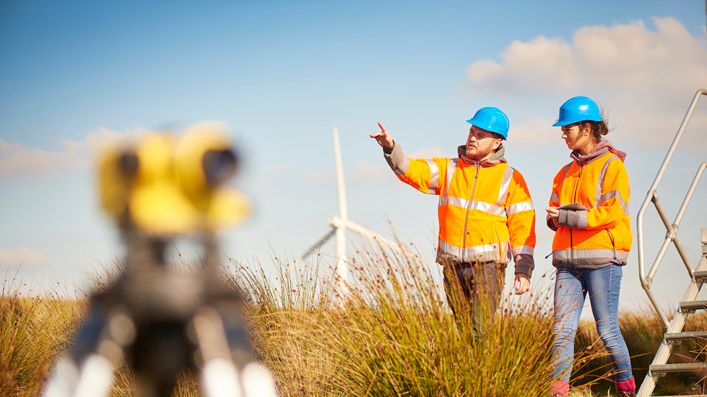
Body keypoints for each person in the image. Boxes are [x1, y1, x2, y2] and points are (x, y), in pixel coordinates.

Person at [370, 107, 536, 333]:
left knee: (480, 331)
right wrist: (391, 147)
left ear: (497, 143)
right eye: (471, 132)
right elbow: (411, 170)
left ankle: (481, 369)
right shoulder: (449, 168)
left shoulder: (510, 178)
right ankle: (470, 369)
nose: (473, 138)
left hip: (488, 267)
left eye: (481, 135)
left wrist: (523, 269)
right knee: (463, 330)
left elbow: (522, 225)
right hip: (452, 265)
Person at [545, 96, 635, 397]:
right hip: (567, 264)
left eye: (567, 128)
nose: (562, 133)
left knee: (607, 331)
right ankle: (559, 392)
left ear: (586, 128)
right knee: (561, 332)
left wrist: (568, 216)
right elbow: (556, 210)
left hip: (602, 261)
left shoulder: (612, 166)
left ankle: (625, 389)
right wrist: (555, 220)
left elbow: (613, 212)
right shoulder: (564, 172)